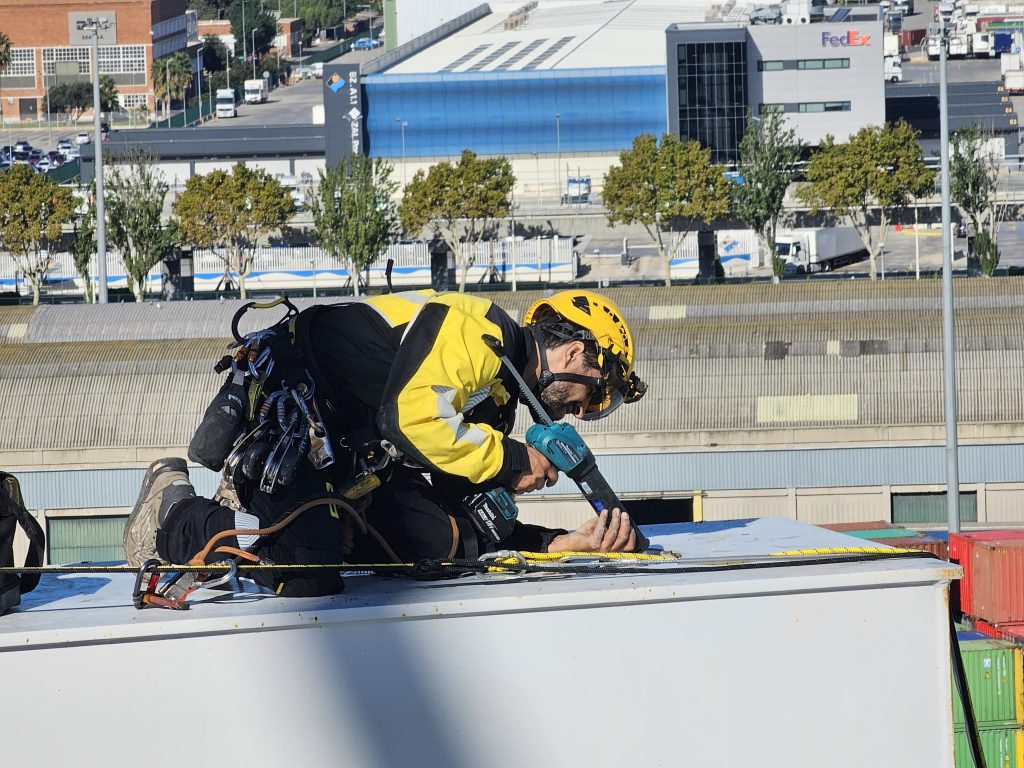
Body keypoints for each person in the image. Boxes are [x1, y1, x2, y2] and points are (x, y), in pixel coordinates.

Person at [124, 289, 647, 596]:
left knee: (439, 542)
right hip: (297, 418)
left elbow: (469, 508)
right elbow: (411, 421)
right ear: (576, 354)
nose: (582, 412)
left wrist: (561, 544)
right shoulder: (480, 336)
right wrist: (510, 460)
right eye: (594, 397)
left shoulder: (498, 394)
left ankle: (278, 517)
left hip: (349, 451)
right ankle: (175, 513)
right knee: (308, 564)